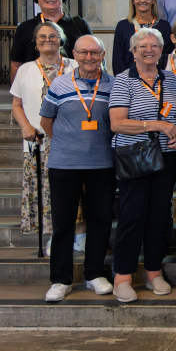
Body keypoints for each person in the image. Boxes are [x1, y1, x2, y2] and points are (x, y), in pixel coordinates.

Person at [109, 28, 176, 303]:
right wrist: (157, 125)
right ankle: (123, 276)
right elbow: (117, 123)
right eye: (143, 46)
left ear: (162, 50)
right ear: (133, 51)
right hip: (135, 156)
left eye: (155, 45)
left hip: (165, 157)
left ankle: (154, 272)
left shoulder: (170, 79)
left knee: (158, 217)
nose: (149, 50)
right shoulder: (123, 81)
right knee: (133, 216)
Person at [39, 36, 115, 302]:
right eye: (84, 53)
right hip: (64, 164)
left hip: (102, 163)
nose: (89, 57)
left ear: (103, 54)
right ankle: (60, 280)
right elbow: (46, 120)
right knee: (63, 224)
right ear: (74, 54)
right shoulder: (59, 84)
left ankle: (95, 274)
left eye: (95, 52)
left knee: (100, 220)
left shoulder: (113, 84)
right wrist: (67, 142)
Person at [10, 21, 80, 256]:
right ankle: (55, 237)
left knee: (76, 187)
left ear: (61, 39)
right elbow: (17, 105)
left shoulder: (75, 65)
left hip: (73, 140)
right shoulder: (26, 69)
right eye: (42, 36)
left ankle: (79, 234)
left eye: (53, 35)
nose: (47, 40)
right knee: (46, 190)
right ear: (35, 41)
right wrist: (26, 127)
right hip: (37, 140)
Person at [10, 0, 91, 82]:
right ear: (37, 0)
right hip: (35, 85)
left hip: (76, 86)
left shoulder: (79, 24)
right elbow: (16, 63)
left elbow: (94, 54)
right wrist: (18, 94)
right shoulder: (25, 27)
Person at [112, 0, 172, 74]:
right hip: (128, 80)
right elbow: (118, 59)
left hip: (156, 80)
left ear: (153, 0)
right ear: (133, 0)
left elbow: (166, 58)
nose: (142, 0)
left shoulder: (164, 26)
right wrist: (125, 81)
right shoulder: (123, 26)